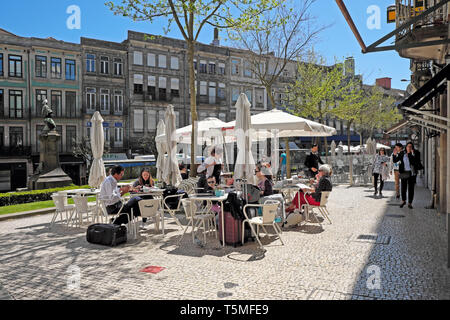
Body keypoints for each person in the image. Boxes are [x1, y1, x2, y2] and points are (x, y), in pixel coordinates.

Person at [393, 142, 423, 209]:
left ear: (412, 147)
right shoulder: (402, 153)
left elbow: (414, 162)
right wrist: (394, 155)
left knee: (411, 188)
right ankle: (403, 201)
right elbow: (395, 161)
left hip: (412, 173)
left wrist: (410, 154)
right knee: (403, 188)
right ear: (406, 147)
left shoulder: (416, 153)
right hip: (404, 172)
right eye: (408, 146)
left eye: (410, 146)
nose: (409, 148)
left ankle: (410, 203)